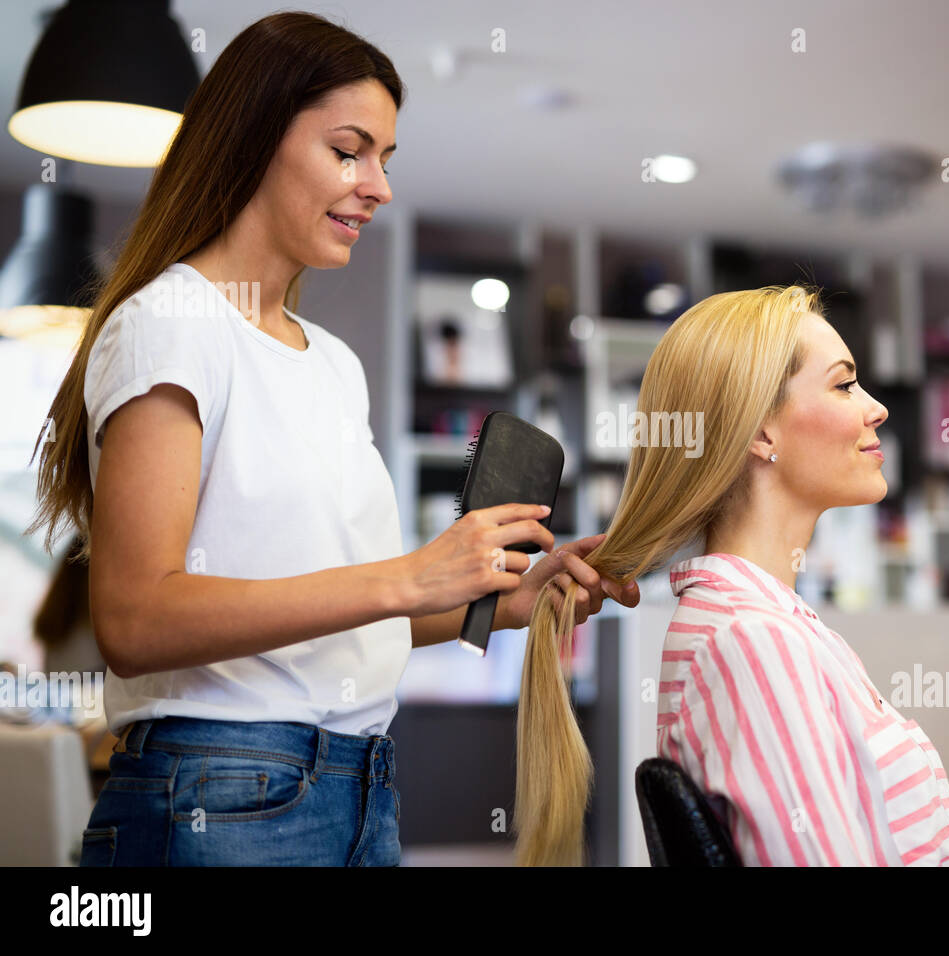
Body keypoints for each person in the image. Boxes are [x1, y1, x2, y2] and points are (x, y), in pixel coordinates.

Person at [23, 11, 637, 867]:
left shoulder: (335, 365)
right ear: (253, 140)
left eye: (386, 159)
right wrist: (410, 575)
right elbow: (135, 619)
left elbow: (335, 625)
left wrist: (501, 605)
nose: (378, 186)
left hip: (362, 791)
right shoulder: (171, 322)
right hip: (222, 794)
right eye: (349, 151)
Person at [514, 285, 949, 866]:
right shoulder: (754, 643)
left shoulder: (774, 626)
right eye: (843, 383)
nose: (876, 407)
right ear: (760, 433)